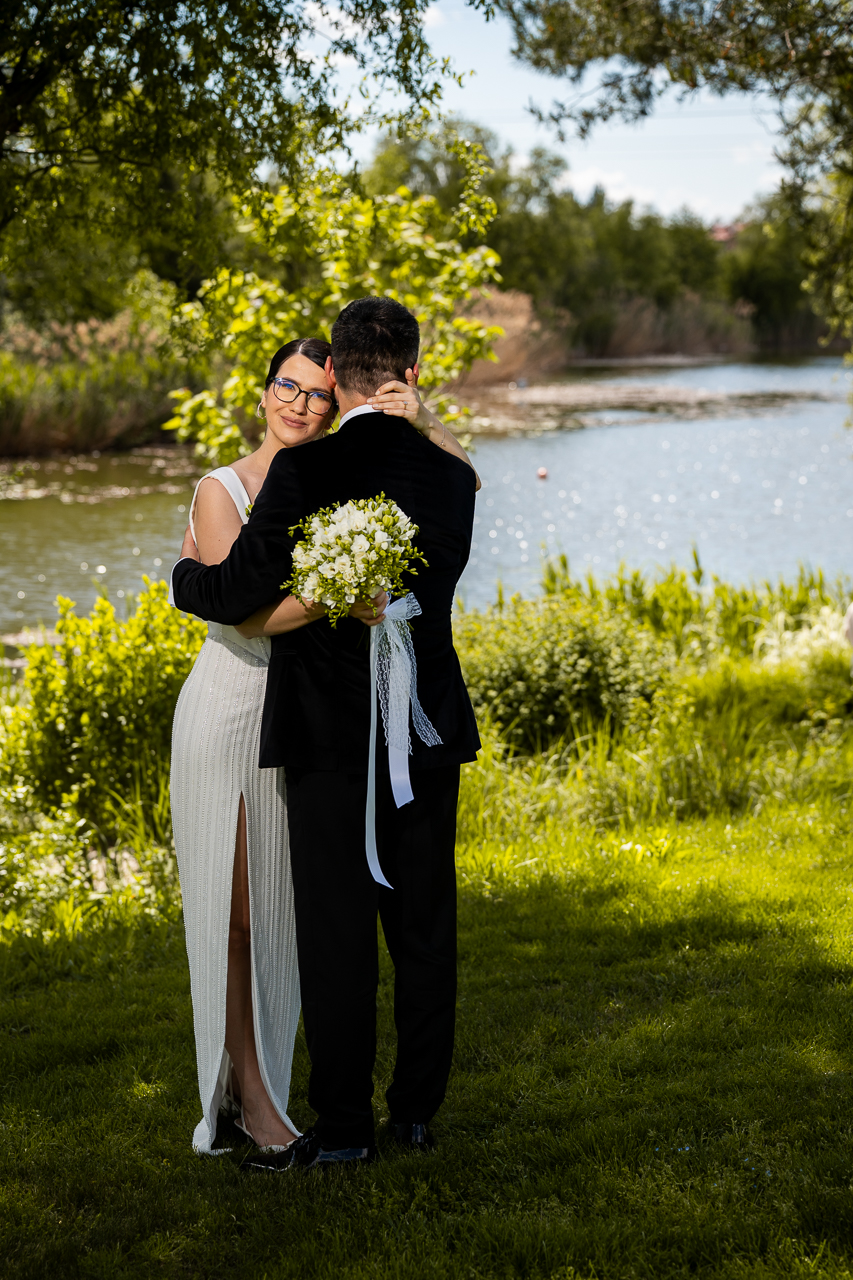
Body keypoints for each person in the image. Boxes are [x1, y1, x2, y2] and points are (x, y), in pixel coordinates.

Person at [171, 296, 481, 1170]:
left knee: (335, 929)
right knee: (424, 925)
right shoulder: (451, 476)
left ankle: (344, 1129)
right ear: (411, 373)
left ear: (334, 375)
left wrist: (185, 574)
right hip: (425, 728)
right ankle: (414, 1113)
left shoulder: (304, 472)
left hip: (325, 734)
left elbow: (234, 594)